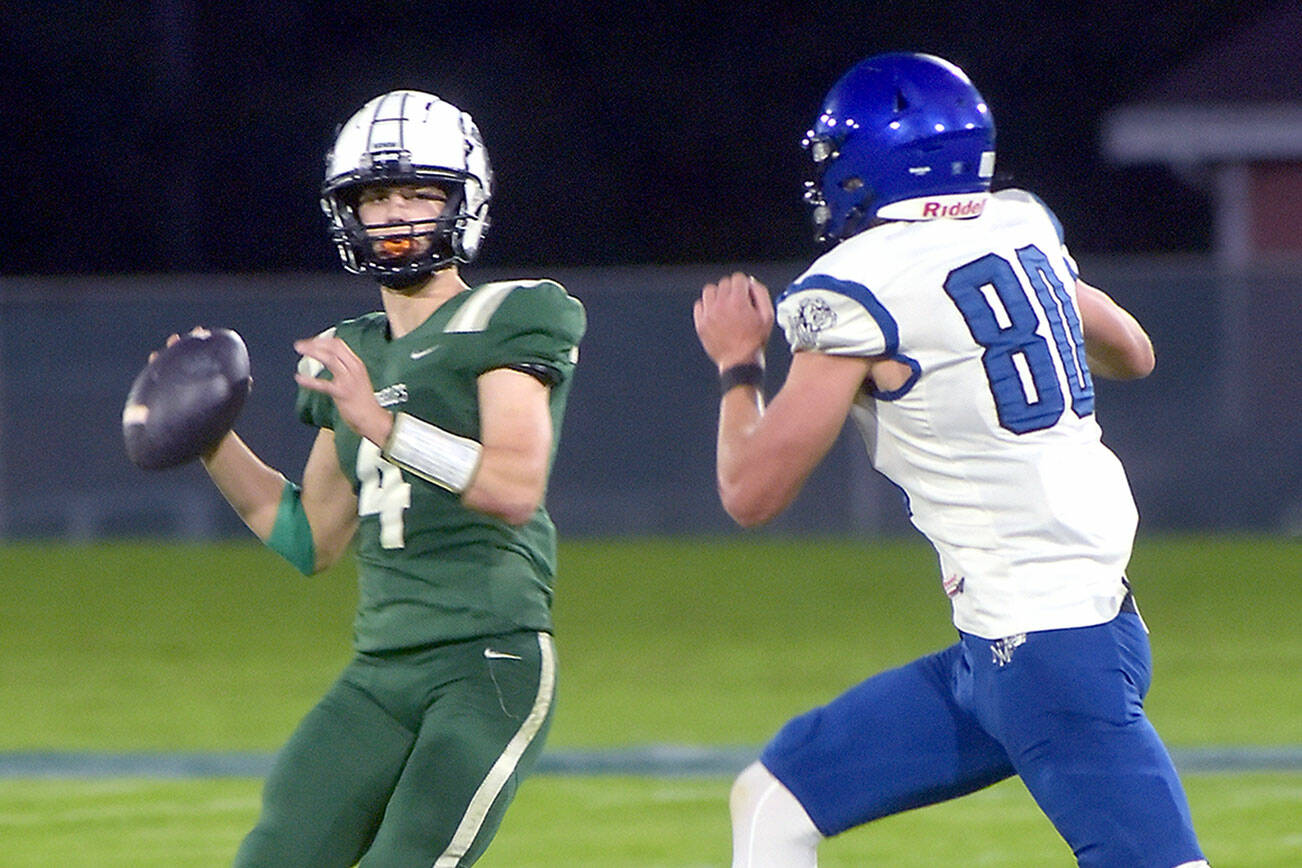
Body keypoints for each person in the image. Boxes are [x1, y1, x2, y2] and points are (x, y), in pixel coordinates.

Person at [693, 53, 1208, 868]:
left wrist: (738, 366)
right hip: (1019, 644)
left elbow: (750, 492)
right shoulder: (1017, 226)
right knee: (775, 800)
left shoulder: (860, 286)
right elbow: (1134, 352)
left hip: (1048, 647)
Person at [195, 90, 585, 867]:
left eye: (419, 191)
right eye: (375, 196)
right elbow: (310, 538)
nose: (397, 212)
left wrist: (380, 424)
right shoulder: (347, 350)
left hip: (488, 661)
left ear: (462, 202)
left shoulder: (510, 315)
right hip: (382, 669)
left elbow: (514, 488)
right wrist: (210, 441)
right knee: (275, 854)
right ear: (349, 214)